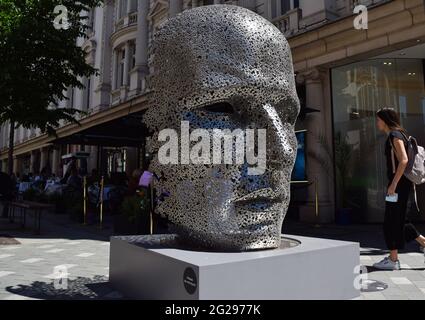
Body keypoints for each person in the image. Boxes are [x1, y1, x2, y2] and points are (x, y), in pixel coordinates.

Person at [373, 107, 425, 270]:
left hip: (398, 185)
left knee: (392, 221)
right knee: (399, 220)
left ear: (386, 120)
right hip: (400, 185)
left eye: (379, 119)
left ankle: (393, 260)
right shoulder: (398, 134)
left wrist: (393, 184)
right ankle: (422, 243)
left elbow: (403, 160)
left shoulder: (395, 135)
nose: (377, 123)